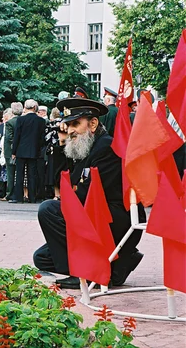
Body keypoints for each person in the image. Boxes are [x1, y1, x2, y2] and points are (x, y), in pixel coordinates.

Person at [33, 98, 145, 289]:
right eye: (67, 125)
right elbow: (65, 181)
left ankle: (85, 273)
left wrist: (66, 199)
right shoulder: (85, 148)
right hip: (96, 215)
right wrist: (61, 148)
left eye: (76, 124)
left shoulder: (105, 147)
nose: (69, 130)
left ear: (93, 124)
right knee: (42, 257)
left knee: (49, 210)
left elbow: (84, 195)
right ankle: (116, 265)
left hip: (114, 219)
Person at [11, 99, 45, 203]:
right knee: (32, 175)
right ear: (35, 107)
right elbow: (41, 138)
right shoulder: (41, 121)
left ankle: (18, 197)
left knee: (19, 174)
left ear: (25, 107)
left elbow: (17, 136)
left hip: (21, 150)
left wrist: (14, 151)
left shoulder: (20, 120)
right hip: (34, 150)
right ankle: (32, 197)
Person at [1, 102, 22, 201]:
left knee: (10, 174)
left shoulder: (10, 122)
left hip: (10, 150)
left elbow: (9, 138)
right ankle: (20, 194)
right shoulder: (23, 121)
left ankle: (9, 194)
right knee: (20, 173)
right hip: (22, 150)